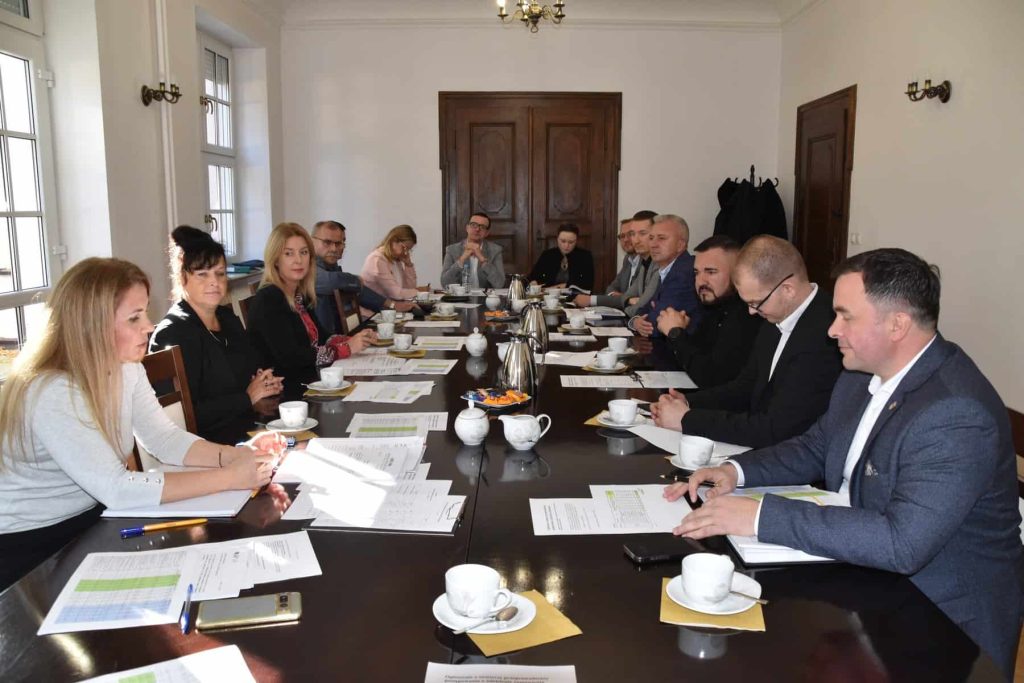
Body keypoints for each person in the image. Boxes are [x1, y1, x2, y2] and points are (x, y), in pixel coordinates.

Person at [667, 248, 1024, 677]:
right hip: (868, 578)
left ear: (897, 325)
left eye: (845, 316)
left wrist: (759, 515)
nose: (832, 329)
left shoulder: (954, 413)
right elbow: (816, 446)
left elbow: (903, 544)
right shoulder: (859, 374)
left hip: (942, 623)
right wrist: (736, 471)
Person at [0, 257, 283, 590]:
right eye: (134, 317)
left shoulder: (126, 367)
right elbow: (117, 488)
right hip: (32, 548)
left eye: (145, 313)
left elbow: (163, 438)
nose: (149, 326)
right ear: (92, 325)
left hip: (92, 519)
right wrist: (229, 477)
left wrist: (233, 455)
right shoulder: (53, 389)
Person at [652, 235, 841, 448]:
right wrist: (687, 402)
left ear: (787, 289)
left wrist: (688, 419)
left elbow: (776, 429)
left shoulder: (824, 335)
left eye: (756, 303)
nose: (751, 312)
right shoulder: (777, 312)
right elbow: (746, 386)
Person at [150, 227, 284, 441]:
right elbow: (182, 417)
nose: (214, 281)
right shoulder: (172, 333)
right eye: (202, 274)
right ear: (183, 278)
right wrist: (247, 397)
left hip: (246, 427)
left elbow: (252, 367)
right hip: (205, 444)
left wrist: (264, 382)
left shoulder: (227, 318)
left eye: (220, 273)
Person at [247, 223, 376, 392]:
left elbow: (323, 337)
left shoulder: (300, 294)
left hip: (308, 378)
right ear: (276, 259)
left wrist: (353, 339)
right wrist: (347, 348)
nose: (298, 260)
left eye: (304, 252)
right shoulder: (269, 299)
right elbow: (291, 358)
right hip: (283, 390)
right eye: (288, 253)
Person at [655, 235, 762, 388]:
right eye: (696, 273)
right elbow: (694, 358)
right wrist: (679, 332)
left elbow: (711, 378)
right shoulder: (713, 307)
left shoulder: (746, 315)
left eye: (711, 272)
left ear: (737, 274)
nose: (701, 281)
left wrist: (675, 333)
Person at [311, 220, 412, 335]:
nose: (334, 249)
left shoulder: (332, 267)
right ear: (311, 241)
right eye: (327, 242)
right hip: (322, 342)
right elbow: (331, 282)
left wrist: (392, 305)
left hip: (342, 337)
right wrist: (355, 280)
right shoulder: (306, 266)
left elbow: (359, 291)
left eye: (339, 243)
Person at [626, 214, 701, 339]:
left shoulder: (684, 272)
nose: (653, 244)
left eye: (661, 238)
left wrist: (642, 319)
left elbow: (655, 326)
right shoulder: (667, 269)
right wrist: (635, 321)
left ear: (680, 245)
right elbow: (644, 309)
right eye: (651, 238)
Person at [575, 210, 659, 316]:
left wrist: (627, 303)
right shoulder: (639, 261)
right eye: (633, 234)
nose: (635, 240)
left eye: (642, 233)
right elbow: (616, 290)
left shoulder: (658, 264)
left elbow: (641, 306)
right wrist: (628, 300)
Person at [359, 224, 424, 317]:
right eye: (404, 248)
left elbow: (408, 289)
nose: (406, 253)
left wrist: (408, 265)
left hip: (388, 312)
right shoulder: (377, 259)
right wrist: (419, 292)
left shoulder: (395, 259)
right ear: (393, 240)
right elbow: (396, 293)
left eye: (409, 250)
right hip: (371, 315)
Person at [440, 212, 506, 290]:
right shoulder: (452, 250)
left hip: (486, 296)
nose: (477, 229)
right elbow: (445, 283)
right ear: (467, 228)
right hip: (460, 296)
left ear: (487, 233)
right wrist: (461, 259)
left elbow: (500, 284)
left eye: (482, 227)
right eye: (474, 225)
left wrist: (482, 260)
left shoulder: (495, 250)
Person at [527, 223, 594, 291]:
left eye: (571, 242)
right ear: (557, 239)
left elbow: (588, 284)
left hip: (575, 296)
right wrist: (533, 282)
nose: (566, 246)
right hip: (548, 296)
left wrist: (560, 286)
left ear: (576, 241)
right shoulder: (547, 255)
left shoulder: (585, 257)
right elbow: (532, 277)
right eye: (563, 241)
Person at [603, 218, 640, 296]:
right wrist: (613, 294)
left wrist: (623, 298)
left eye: (630, 234)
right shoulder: (627, 259)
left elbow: (641, 296)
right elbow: (612, 287)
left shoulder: (647, 261)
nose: (625, 240)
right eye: (622, 236)